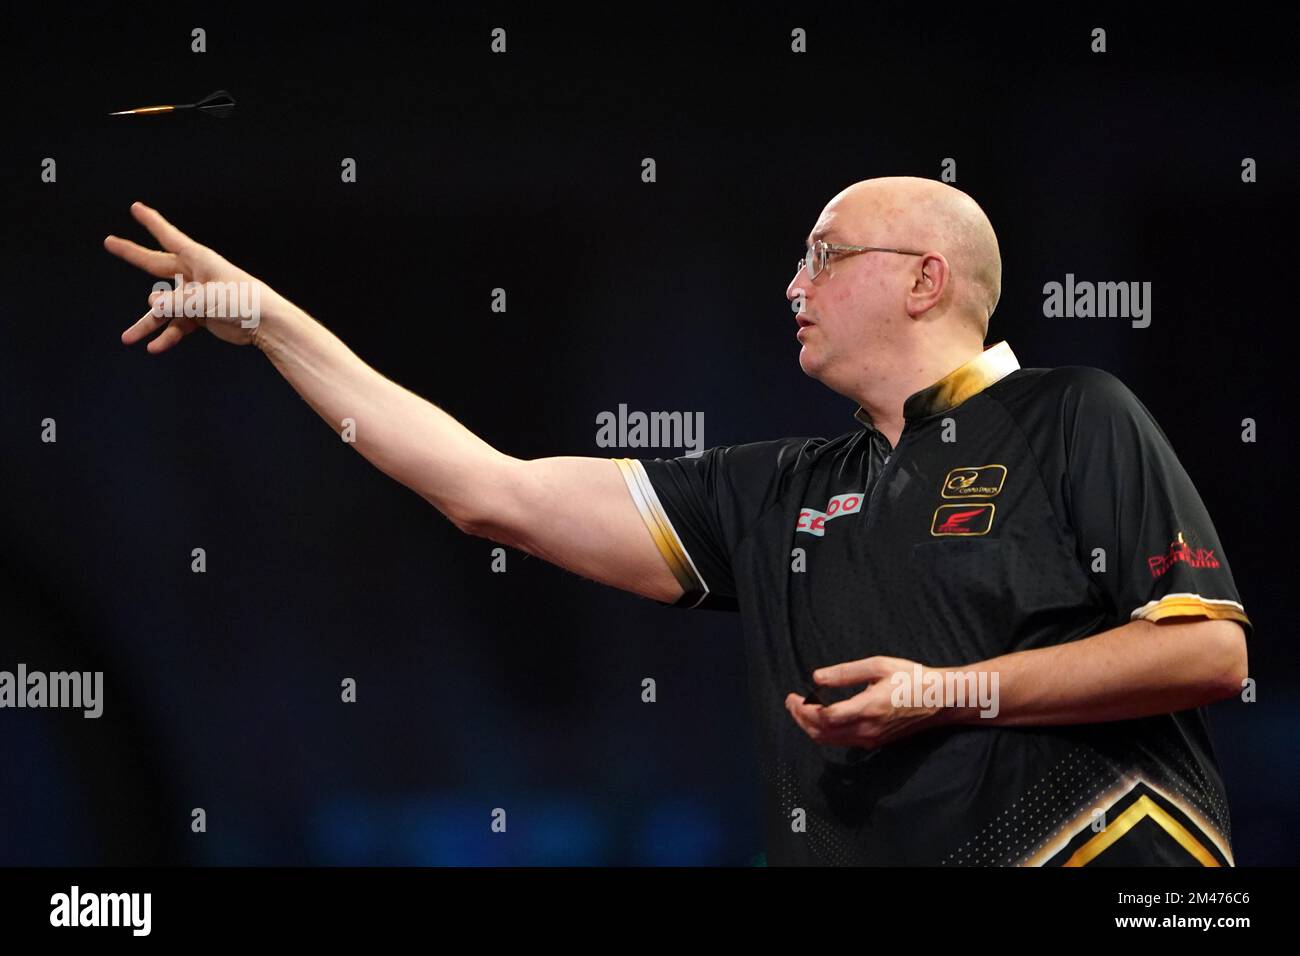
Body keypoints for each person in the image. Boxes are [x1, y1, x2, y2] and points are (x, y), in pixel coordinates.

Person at [104, 176, 1251, 866]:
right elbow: (486, 489)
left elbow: (1207, 647)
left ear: (922, 278)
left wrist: (952, 688)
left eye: (824, 256)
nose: (793, 286)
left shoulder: (1072, 414)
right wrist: (266, 324)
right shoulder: (778, 487)